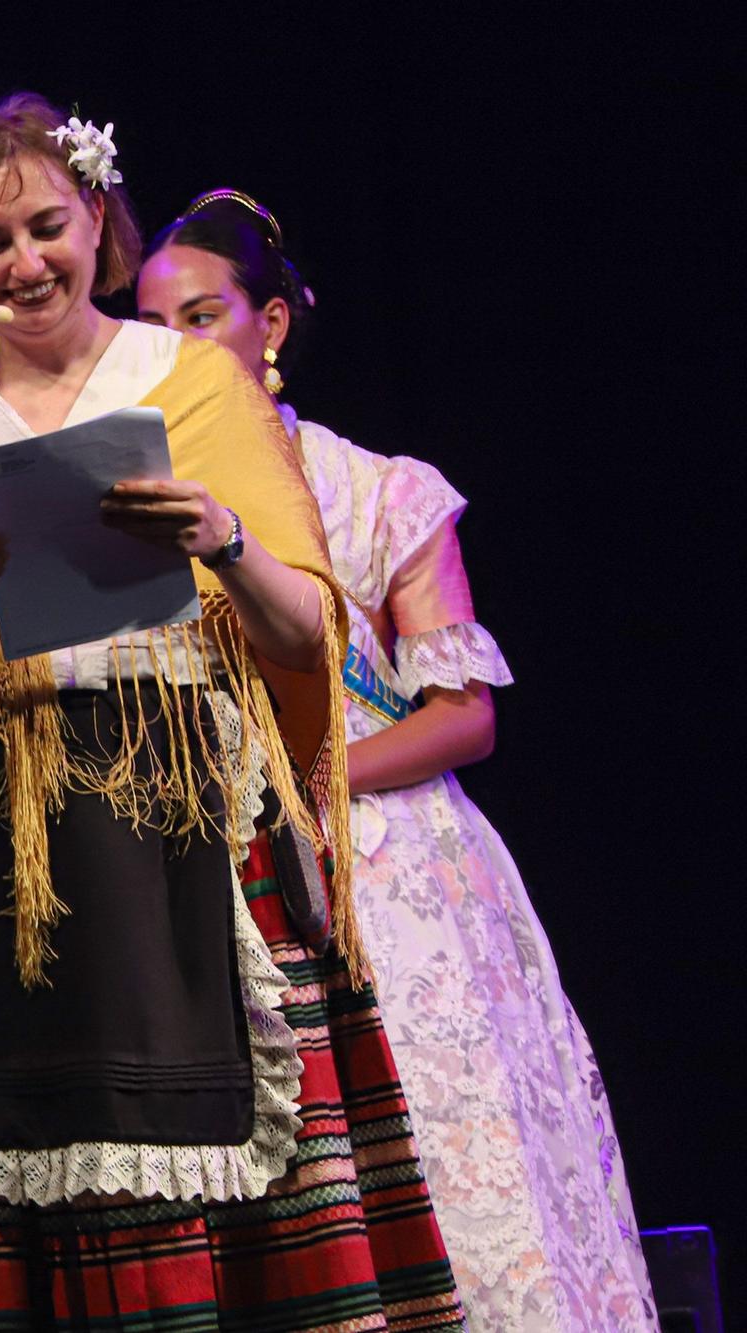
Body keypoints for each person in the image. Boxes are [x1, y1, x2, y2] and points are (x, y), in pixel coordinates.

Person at [0, 93, 467, 1330]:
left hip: (177, 815)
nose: (24, 263)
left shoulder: (186, 384)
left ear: (96, 222)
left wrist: (218, 537)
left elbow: (302, 633)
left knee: (216, 1192)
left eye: (45, 227)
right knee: (8, 1183)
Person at [137, 189, 658, 1331]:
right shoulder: (136, 509)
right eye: (148, 325)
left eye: (200, 316)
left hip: (386, 858)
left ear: (268, 325)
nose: (171, 347)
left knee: (443, 1133)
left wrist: (320, 783)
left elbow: (462, 714)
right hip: (218, 858)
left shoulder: (375, 488)